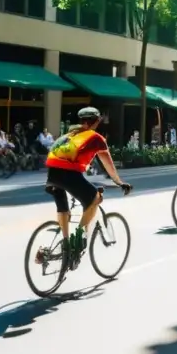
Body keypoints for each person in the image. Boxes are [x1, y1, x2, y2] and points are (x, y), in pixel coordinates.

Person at [45, 106, 131, 260]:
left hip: (52, 173)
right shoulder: (96, 138)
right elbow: (108, 164)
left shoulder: (69, 135)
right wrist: (119, 182)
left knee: (63, 208)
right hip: (68, 173)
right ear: (97, 122)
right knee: (95, 198)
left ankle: (66, 247)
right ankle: (78, 240)